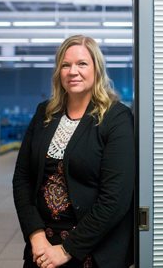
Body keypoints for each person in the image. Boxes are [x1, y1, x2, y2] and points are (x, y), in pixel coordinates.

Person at [13, 35, 135, 268]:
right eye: (65, 65)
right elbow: (22, 179)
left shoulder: (115, 118)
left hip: (92, 249)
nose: (72, 71)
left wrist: (68, 250)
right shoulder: (45, 113)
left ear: (97, 69)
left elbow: (115, 199)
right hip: (42, 249)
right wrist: (36, 235)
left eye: (82, 64)